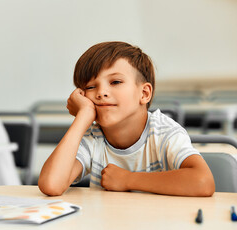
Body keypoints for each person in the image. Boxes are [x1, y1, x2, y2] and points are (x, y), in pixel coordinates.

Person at [38, 41, 215, 197]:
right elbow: (51, 185)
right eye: (91, 86)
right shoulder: (94, 137)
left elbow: (203, 181)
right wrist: (83, 116)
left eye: (115, 82)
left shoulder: (162, 131)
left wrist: (128, 180)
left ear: (144, 93)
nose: (101, 92)